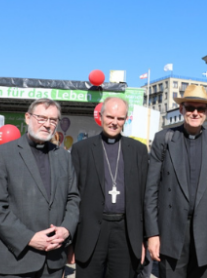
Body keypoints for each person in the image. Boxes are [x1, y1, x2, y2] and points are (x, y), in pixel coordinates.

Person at [0, 98, 81, 278]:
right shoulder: (3, 154)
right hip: (14, 261)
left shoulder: (63, 157)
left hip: (52, 263)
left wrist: (66, 229)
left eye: (53, 120)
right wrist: (28, 238)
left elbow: (73, 198)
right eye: (42, 118)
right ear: (27, 117)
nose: (47, 124)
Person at [145, 84, 207, 278]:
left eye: (201, 108)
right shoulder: (163, 139)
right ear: (181, 109)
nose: (195, 112)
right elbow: (151, 191)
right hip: (171, 234)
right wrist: (152, 234)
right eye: (190, 107)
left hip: (205, 236)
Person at [70, 97, 150, 278]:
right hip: (91, 232)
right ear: (101, 116)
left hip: (126, 233)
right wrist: (71, 243)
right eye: (110, 117)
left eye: (120, 118)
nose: (114, 122)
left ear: (126, 119)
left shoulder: (138, 150)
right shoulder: (81, 149)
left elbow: (144, 198)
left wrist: (143, 240)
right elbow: (73, 197)